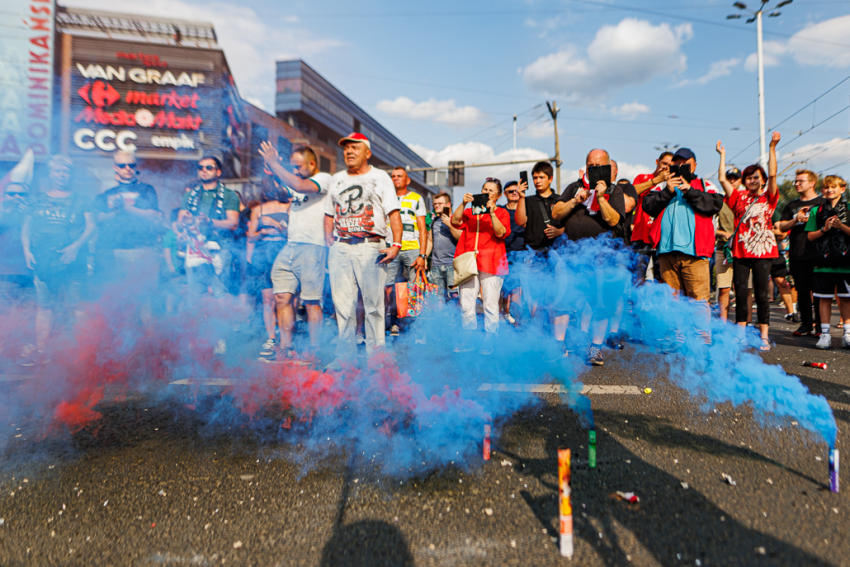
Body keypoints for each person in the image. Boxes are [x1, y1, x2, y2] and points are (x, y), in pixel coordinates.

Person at [323, 132, 401, 352]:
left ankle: (375, 358)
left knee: (374, 306)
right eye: (346, 148)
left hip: (370, 246)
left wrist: (396, 245)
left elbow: (393, 213)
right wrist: (330, 242)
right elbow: (329, 214)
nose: (348, 151)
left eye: (354, 148)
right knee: (343, 306)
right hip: (341, 247)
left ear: (367, 152)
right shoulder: (336, 178)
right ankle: (345, 358)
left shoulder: (380, 177)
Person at [552, 148, 626, 365]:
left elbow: (613, 220)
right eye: (590, 165)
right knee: (563, 300)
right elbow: (556, 213)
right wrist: (575, 201)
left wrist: (601, 197)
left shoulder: (615, 191)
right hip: (570, 256)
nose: (593, 169)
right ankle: (558, 345)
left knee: (601, 304)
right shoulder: (575, 187)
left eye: (598, 165)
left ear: (607, 166)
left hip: (602, 259)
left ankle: (595, 347)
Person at [20, 156, 96, 363]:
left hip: (73, 261)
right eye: (58, 171)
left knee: (76, 306)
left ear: (70, 175)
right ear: (51, 174)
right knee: (44, 307)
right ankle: (42, 352)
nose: (62, 176)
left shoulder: (81, 200)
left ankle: (82, 353)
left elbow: (91, 226)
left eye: (65, 172)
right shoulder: (37, 199)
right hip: (43, 261)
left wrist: (75, 247)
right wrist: (27, 251)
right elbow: (26, 226)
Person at [259, 142, 331, 357]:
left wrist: (275, 164)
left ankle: (315, 351)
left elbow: (299, 186)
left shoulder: (324, 178)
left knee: (311, 301)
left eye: (299, 167)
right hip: (290, 245)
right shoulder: (295, 178)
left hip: (313, 246)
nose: (296, 171)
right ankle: (285, 347)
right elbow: (278, 189)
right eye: (293, 167)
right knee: (281, 296)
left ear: (312, 163)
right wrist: (272, 167)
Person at [716, 133, 781, 351]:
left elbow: (773, 174)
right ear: (745, 181)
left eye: (756, 177)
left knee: (762, 295)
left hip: (764, 252)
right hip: (741, 251)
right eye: (749, 177)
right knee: (741, 293)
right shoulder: (738, 198)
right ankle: (741, 333)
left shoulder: (769, 197)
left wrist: (772, 147)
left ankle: (763, 335)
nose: (753, 180)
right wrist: (722, 156)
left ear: (762, 180)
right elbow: (723, 180)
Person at [643, 147, 724, 305]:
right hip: (667, 253)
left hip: (696, 254)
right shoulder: (662, 186)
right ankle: (676, 331)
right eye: (678, 163)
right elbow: (648, 206)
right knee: (671, 302)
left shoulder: (705, 185)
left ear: (695, 165)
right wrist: (667, 191)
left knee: (698, 301)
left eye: (686, 163)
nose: (682, 166)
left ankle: (700, 331)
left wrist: (690, 191)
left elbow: (715, 205)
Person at [93, 150, 162, 321]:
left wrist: (127, 208)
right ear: (115, 168)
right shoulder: (107, 194)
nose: (127, 169)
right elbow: (97, 219)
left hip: (142, 249)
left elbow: (154, 215)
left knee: (145, 301)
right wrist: (115, 212)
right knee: (116, 300)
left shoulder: (146, 189)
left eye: (131, 165)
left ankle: (147, 344)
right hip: (114, 251)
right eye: (123, 166)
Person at [451, 178, 510, 338]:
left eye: (491, 191)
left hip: (492, 263)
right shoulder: (470, 212)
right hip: (469, 262)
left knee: (490, 304)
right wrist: (463, 204)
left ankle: (491, 339)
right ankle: (470, 339)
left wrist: (491, 213)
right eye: (485, 189)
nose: (486, 192)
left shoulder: (502, 212)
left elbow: (500, 232)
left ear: (497, 196)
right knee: (466, 303)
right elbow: (455, 222)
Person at [179, 156, 240, 301]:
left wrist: (209, 222)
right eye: (200, 168)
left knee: (220, 291)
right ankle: (197, 323)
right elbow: (181, 220)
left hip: (220, 248)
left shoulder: (229, 195)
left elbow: (233, 223)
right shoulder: (190, 195)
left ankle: (220, 323)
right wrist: (186, 222)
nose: (204, 171)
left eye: (209, 168)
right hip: (195, 248)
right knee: (195, 293)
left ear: (218, 172)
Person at [246, 176, 290, 359]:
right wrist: (263, 230)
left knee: (286, 298)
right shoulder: (257, 209)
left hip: (283, 251)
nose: (272, 187)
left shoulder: (288, 207)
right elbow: (250, 235)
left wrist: (280, 228)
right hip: (263, 254)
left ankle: (286, 337)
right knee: (267, 299)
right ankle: (271, 336)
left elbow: (295, 232)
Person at [805, 175, 850, 349]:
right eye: (826, 187)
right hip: (822, 260)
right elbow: (810, 236)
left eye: (833, 187)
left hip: (846, 261)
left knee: (846, 299)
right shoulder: (817, 211)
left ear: (842, 189)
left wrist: (841, 227)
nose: (829, 190)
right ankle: (825, 334)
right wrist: (824, 229)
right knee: (824, 298)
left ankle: (847, 332)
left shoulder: (848, 208)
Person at [777, 169, 823, 337]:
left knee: (818, 291)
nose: (796, 184)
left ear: (812, 183)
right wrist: (795, 219)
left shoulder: (822, 202)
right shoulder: (792, 205)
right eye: (795, 181)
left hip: (818, 253)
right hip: (798, 253)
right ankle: (806, 324)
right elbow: (781, 227)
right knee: (802, 291)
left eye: (800, 181)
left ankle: (820, 325)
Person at [384, 167, 428, 336]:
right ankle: (392, 322)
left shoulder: (416, 198)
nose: (395, 179)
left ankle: (413, 326)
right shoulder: (385, 198)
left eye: (399, 176)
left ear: (407, 180)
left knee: (414, 288)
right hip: (390, 248)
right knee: (387, 287)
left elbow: (423, 229)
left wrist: (422, 255)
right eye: (393, 176)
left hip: (412, 249)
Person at [630, 152, 673, 282]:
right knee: (637, 277)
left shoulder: (673, 183)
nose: (666, 168)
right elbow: (632, 192)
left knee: (662, 279)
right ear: (657, 162)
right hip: (641, 235)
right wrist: (656, 180)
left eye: (670, 165)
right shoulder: (643, 177)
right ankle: (636, 302)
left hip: (662, 239)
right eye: (664, 163)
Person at [713, 167, 741, 322]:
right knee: (724, 289)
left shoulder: (746, 200)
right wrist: (723, 234)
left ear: (740, 181)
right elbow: (710, 227)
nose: (731, 181)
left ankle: (744, 324)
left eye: (735, 178)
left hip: (743, 251)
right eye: (729, 178)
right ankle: (723, 324)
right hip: (723, 249)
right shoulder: (719, 202)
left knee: (743, 290)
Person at [426, 192, 461, 302]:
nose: (436, 206)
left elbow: (461, 238)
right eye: (435, 204)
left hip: (452, 265)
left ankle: (455, 319)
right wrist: (424, 258)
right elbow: (430, 241)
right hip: (436, 266)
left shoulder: (456, 220)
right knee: (438, 299)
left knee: (454, 297)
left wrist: (449, 224)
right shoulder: (434, 221)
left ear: (448, 204)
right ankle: (440, 319)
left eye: (440, 203)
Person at [500, 180, 526, 324]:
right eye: (511, 191)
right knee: (504, 289)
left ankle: (517, 320)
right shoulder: (501, 210)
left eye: (517, 191)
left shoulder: (525, 209)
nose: (514, 193)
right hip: (503, 254)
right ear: (505, 194)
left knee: (517, 289)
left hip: (522, 253)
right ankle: (505, 315)